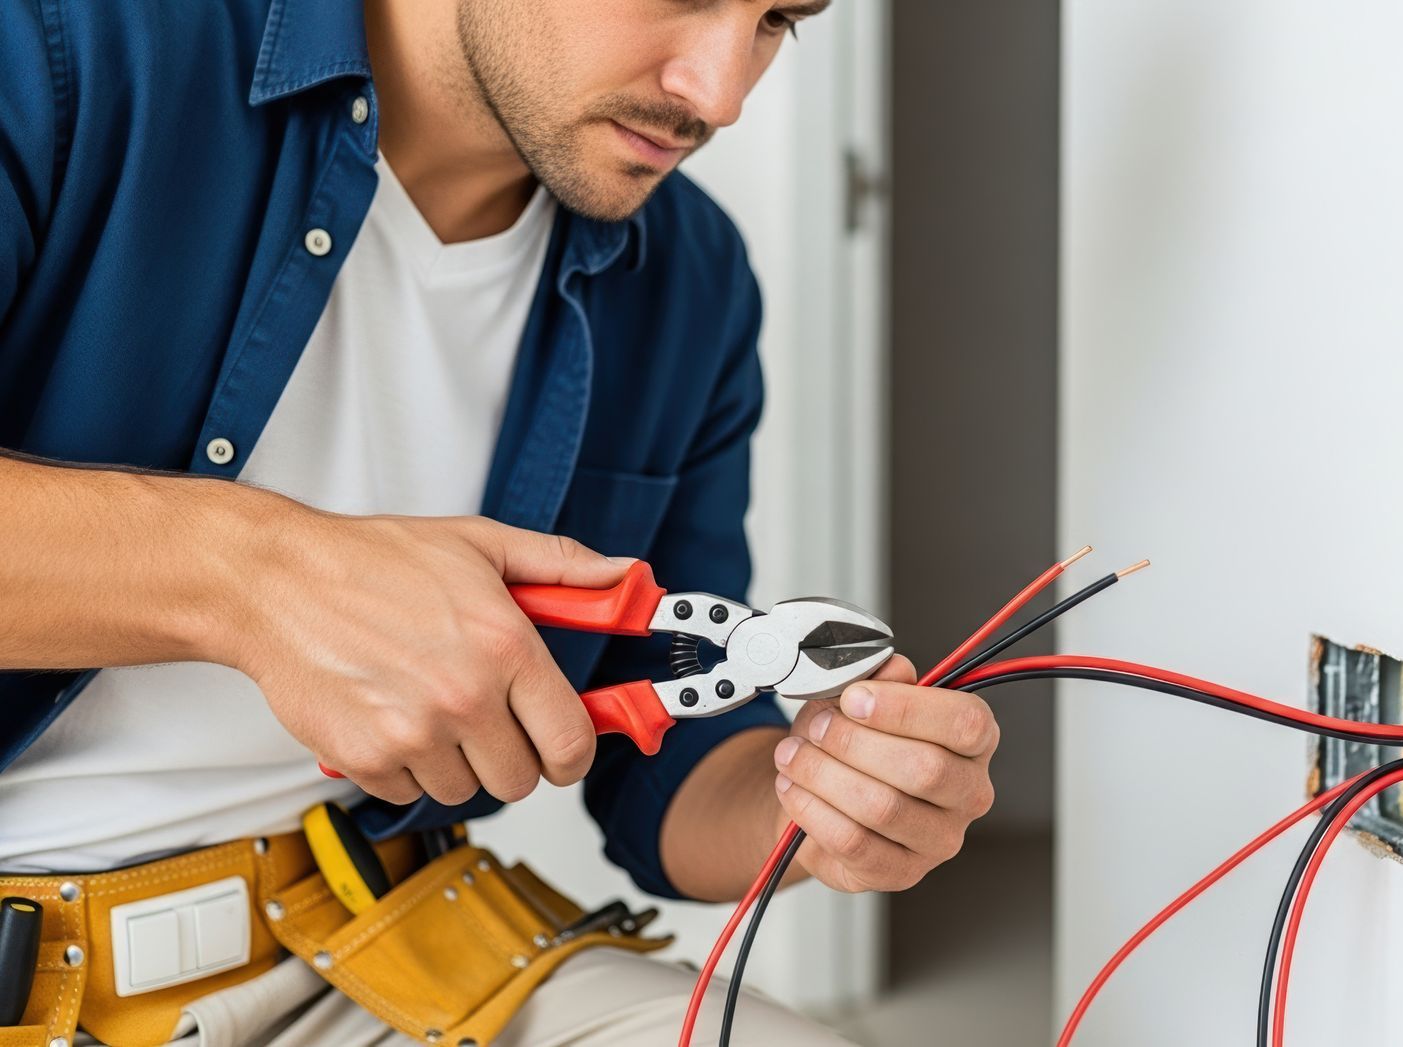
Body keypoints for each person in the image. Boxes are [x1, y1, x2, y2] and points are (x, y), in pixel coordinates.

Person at [0, 2, 999, 1043]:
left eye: (777, 20)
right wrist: (263, 581)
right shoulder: (61, 49)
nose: (723, 94)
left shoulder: (688, 276)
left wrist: (818, 806)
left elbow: (669, 764)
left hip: (396, 947)